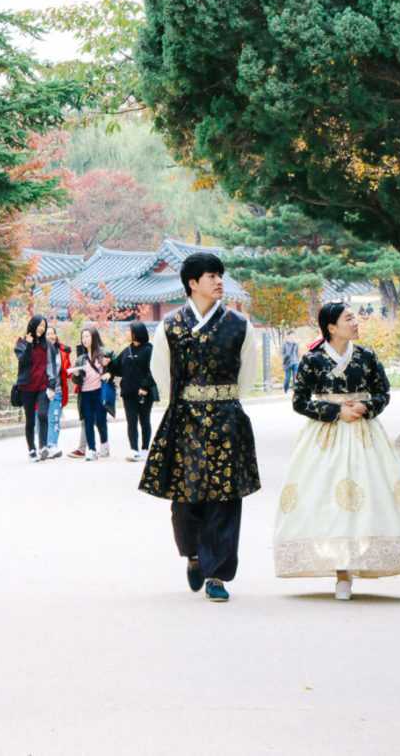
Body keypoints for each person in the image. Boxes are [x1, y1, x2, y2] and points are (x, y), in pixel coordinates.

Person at [274, 301, 400, 600]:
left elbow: (383, 391)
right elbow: (299, 401)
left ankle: (357, 561)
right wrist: (334, 411)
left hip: (364, 435)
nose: (355, 322)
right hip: (325, 437)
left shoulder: (366, 356)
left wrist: (366, 406)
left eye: (354, 317)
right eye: (349, 318)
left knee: (368, 494)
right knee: (325, 497)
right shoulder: (313, 360)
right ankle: (340, 570)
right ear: (331, 327)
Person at [141, 252, 260, 603]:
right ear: (193, 283)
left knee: (225, 497)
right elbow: (161, 371)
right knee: (185, 499)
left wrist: (225, 401)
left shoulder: (239, 325)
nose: (219, 281)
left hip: (227, 419)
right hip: (186, 418)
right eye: (211, 276)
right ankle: (193, 554)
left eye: (220, 275)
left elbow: (247, 374)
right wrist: (183, 402)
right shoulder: (171, 326)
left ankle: (218, 574)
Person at [105, 321, 156, 462]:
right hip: (128, 392)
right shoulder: (127, 350)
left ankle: (145, 449)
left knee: (144, 421)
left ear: (137, 333)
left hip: (144, 393)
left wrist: (145, 387)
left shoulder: (149, 350)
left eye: (130, 331)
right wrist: (109, 364)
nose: (128, 333)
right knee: (131, 421)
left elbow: (154, 370)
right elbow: (117, 366)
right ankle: (134, 450)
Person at [14, 315, 57, 462]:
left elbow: (52, 365)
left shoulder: (48, 345)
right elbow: (23, 361)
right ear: (32, 325)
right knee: (30, 420)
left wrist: (52, 384)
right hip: (27, 387)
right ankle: (31, 449)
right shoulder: (21, 343)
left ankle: (43, 446)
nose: (42, 329)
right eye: (39, 325)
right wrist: (28, 345)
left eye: (44, 327)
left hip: (43, 386)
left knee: (43, 415)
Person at [70, 326, 109, 462]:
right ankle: (91, 450)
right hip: (85, 393)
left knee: (100, 420)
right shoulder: (81, 358)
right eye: (83, 337)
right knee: (88, 421)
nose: (85, 339)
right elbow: (76, 380)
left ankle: (104, 443)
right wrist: (75, 375)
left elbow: (114, 368)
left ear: (94, 337)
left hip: (99, 392)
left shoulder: (103, 354)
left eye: (87, 336)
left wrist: (108, 372)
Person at [45, 326, 71, 459]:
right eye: (47, 334)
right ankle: (43, 446)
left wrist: (72, 372)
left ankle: (52, 446)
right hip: (43, 391)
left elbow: (66, 371)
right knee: (43, 419)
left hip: (58, 390)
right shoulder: (41, 350)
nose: (50, 336)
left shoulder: (62, 352)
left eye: (52, 334)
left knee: (54, 419)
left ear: (56, 335)